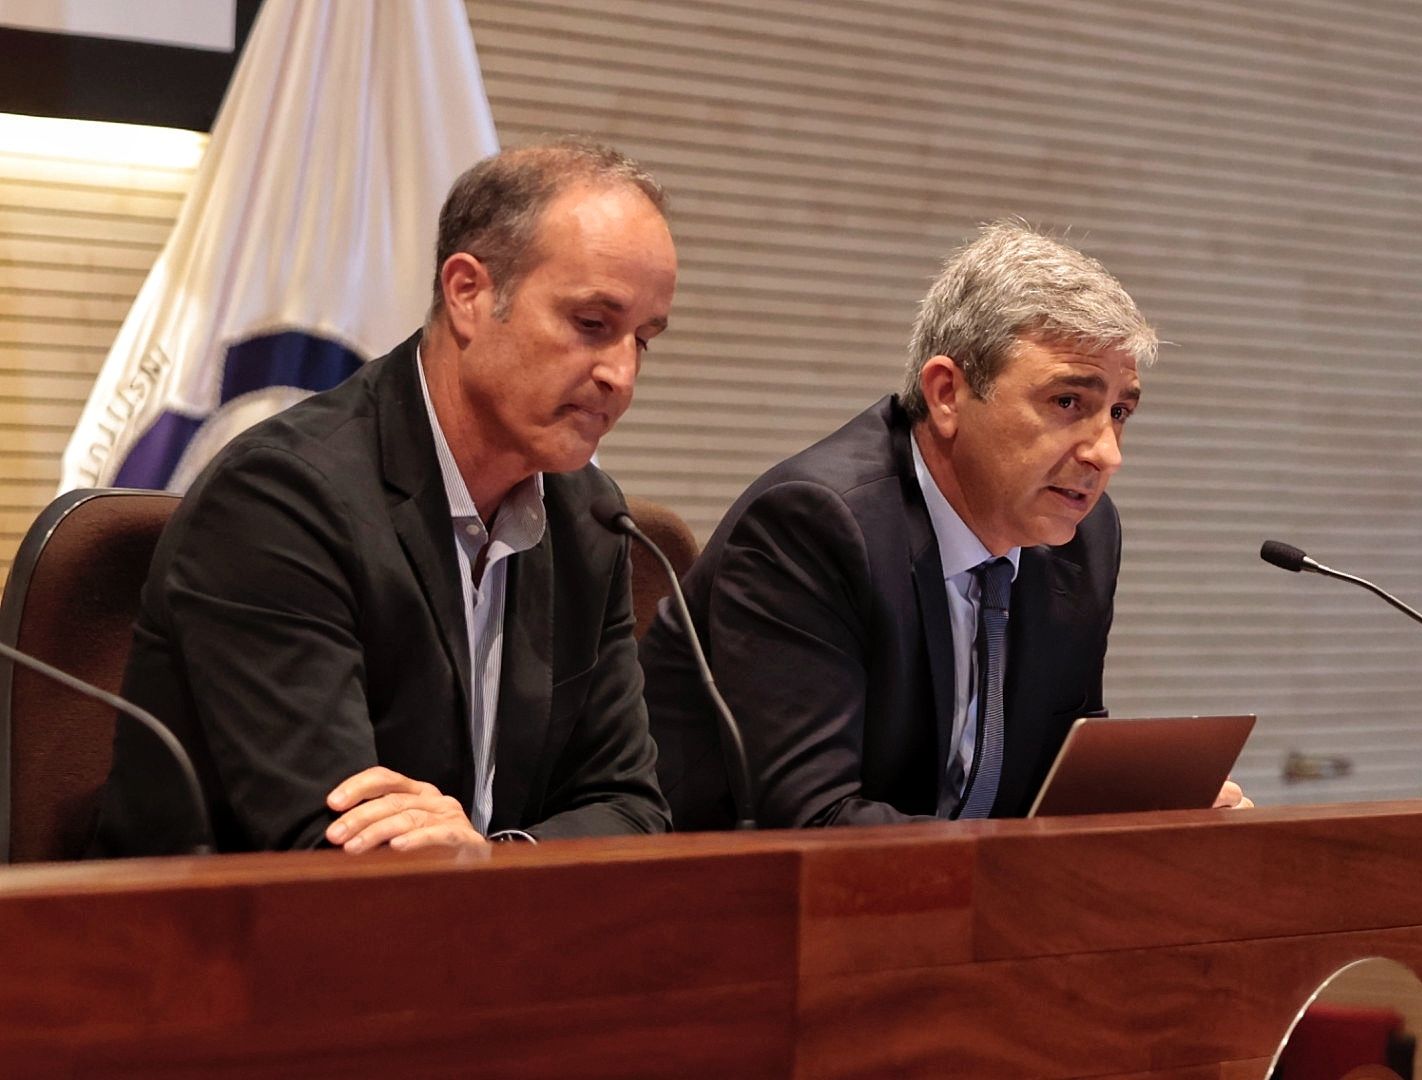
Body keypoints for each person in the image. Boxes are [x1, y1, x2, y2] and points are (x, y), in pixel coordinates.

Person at [90, 139, 677, 856]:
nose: (621, 374)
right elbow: (333, 841)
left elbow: (631, 808)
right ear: (469, 293)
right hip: (228, 947)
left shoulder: (586, 516)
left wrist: (498, 858)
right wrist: (476, 867)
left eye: (642, 339)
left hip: (483, 943)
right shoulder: (282, 501)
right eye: (592, 325)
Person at [641, 219, 1247, 829]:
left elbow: (1054, 776)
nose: (1107, 453)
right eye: (1069, 403)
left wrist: (1152, 814)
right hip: (737, 906)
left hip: (954, 902)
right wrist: (1021, 864)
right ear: (947, 394)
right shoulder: (816, 524)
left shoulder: (1083, 537)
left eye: (1119, 412)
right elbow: (811, 820)